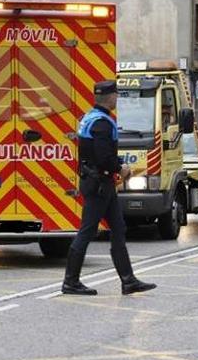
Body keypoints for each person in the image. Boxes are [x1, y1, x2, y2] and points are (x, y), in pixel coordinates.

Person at [63, 80, 156, 296]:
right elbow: (103, 157)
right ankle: (70, 282)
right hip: (99, 184)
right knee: (87, 231)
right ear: (111, 97)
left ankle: (128, 280)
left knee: (119, 228)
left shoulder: (89, 118)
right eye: (116, 95)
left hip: (98, 182)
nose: (117, 99)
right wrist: (121, 168)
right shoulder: (102, 123)